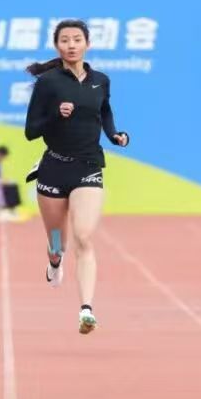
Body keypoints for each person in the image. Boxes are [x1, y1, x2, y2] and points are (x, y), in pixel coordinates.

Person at [24, 18, 129, 334]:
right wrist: (57, 115)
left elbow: (104, 111)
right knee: (58, 242)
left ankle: (86, 309)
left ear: (87, 44)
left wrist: (114, 135)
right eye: (65, 40)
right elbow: (31, 131)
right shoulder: (48, 83)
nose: (71, 45)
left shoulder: (100, 80)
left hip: (88, 166)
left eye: (77, 39)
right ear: (57, 45)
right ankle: (55, 262)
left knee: (84, 236)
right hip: (54, 168)